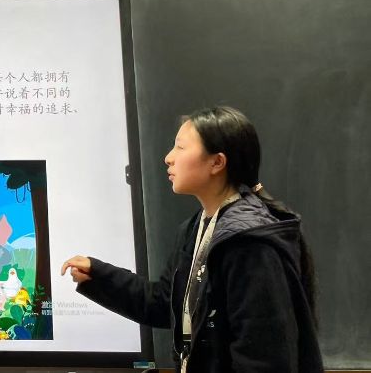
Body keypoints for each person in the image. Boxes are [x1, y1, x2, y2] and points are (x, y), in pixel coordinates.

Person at [61, 106, 322, 373]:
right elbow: (162, 303)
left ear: (217, 163)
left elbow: (264, 358)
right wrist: (98, 274)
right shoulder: (196, 226)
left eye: (180, 147)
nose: (168, 158)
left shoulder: (248, 243)